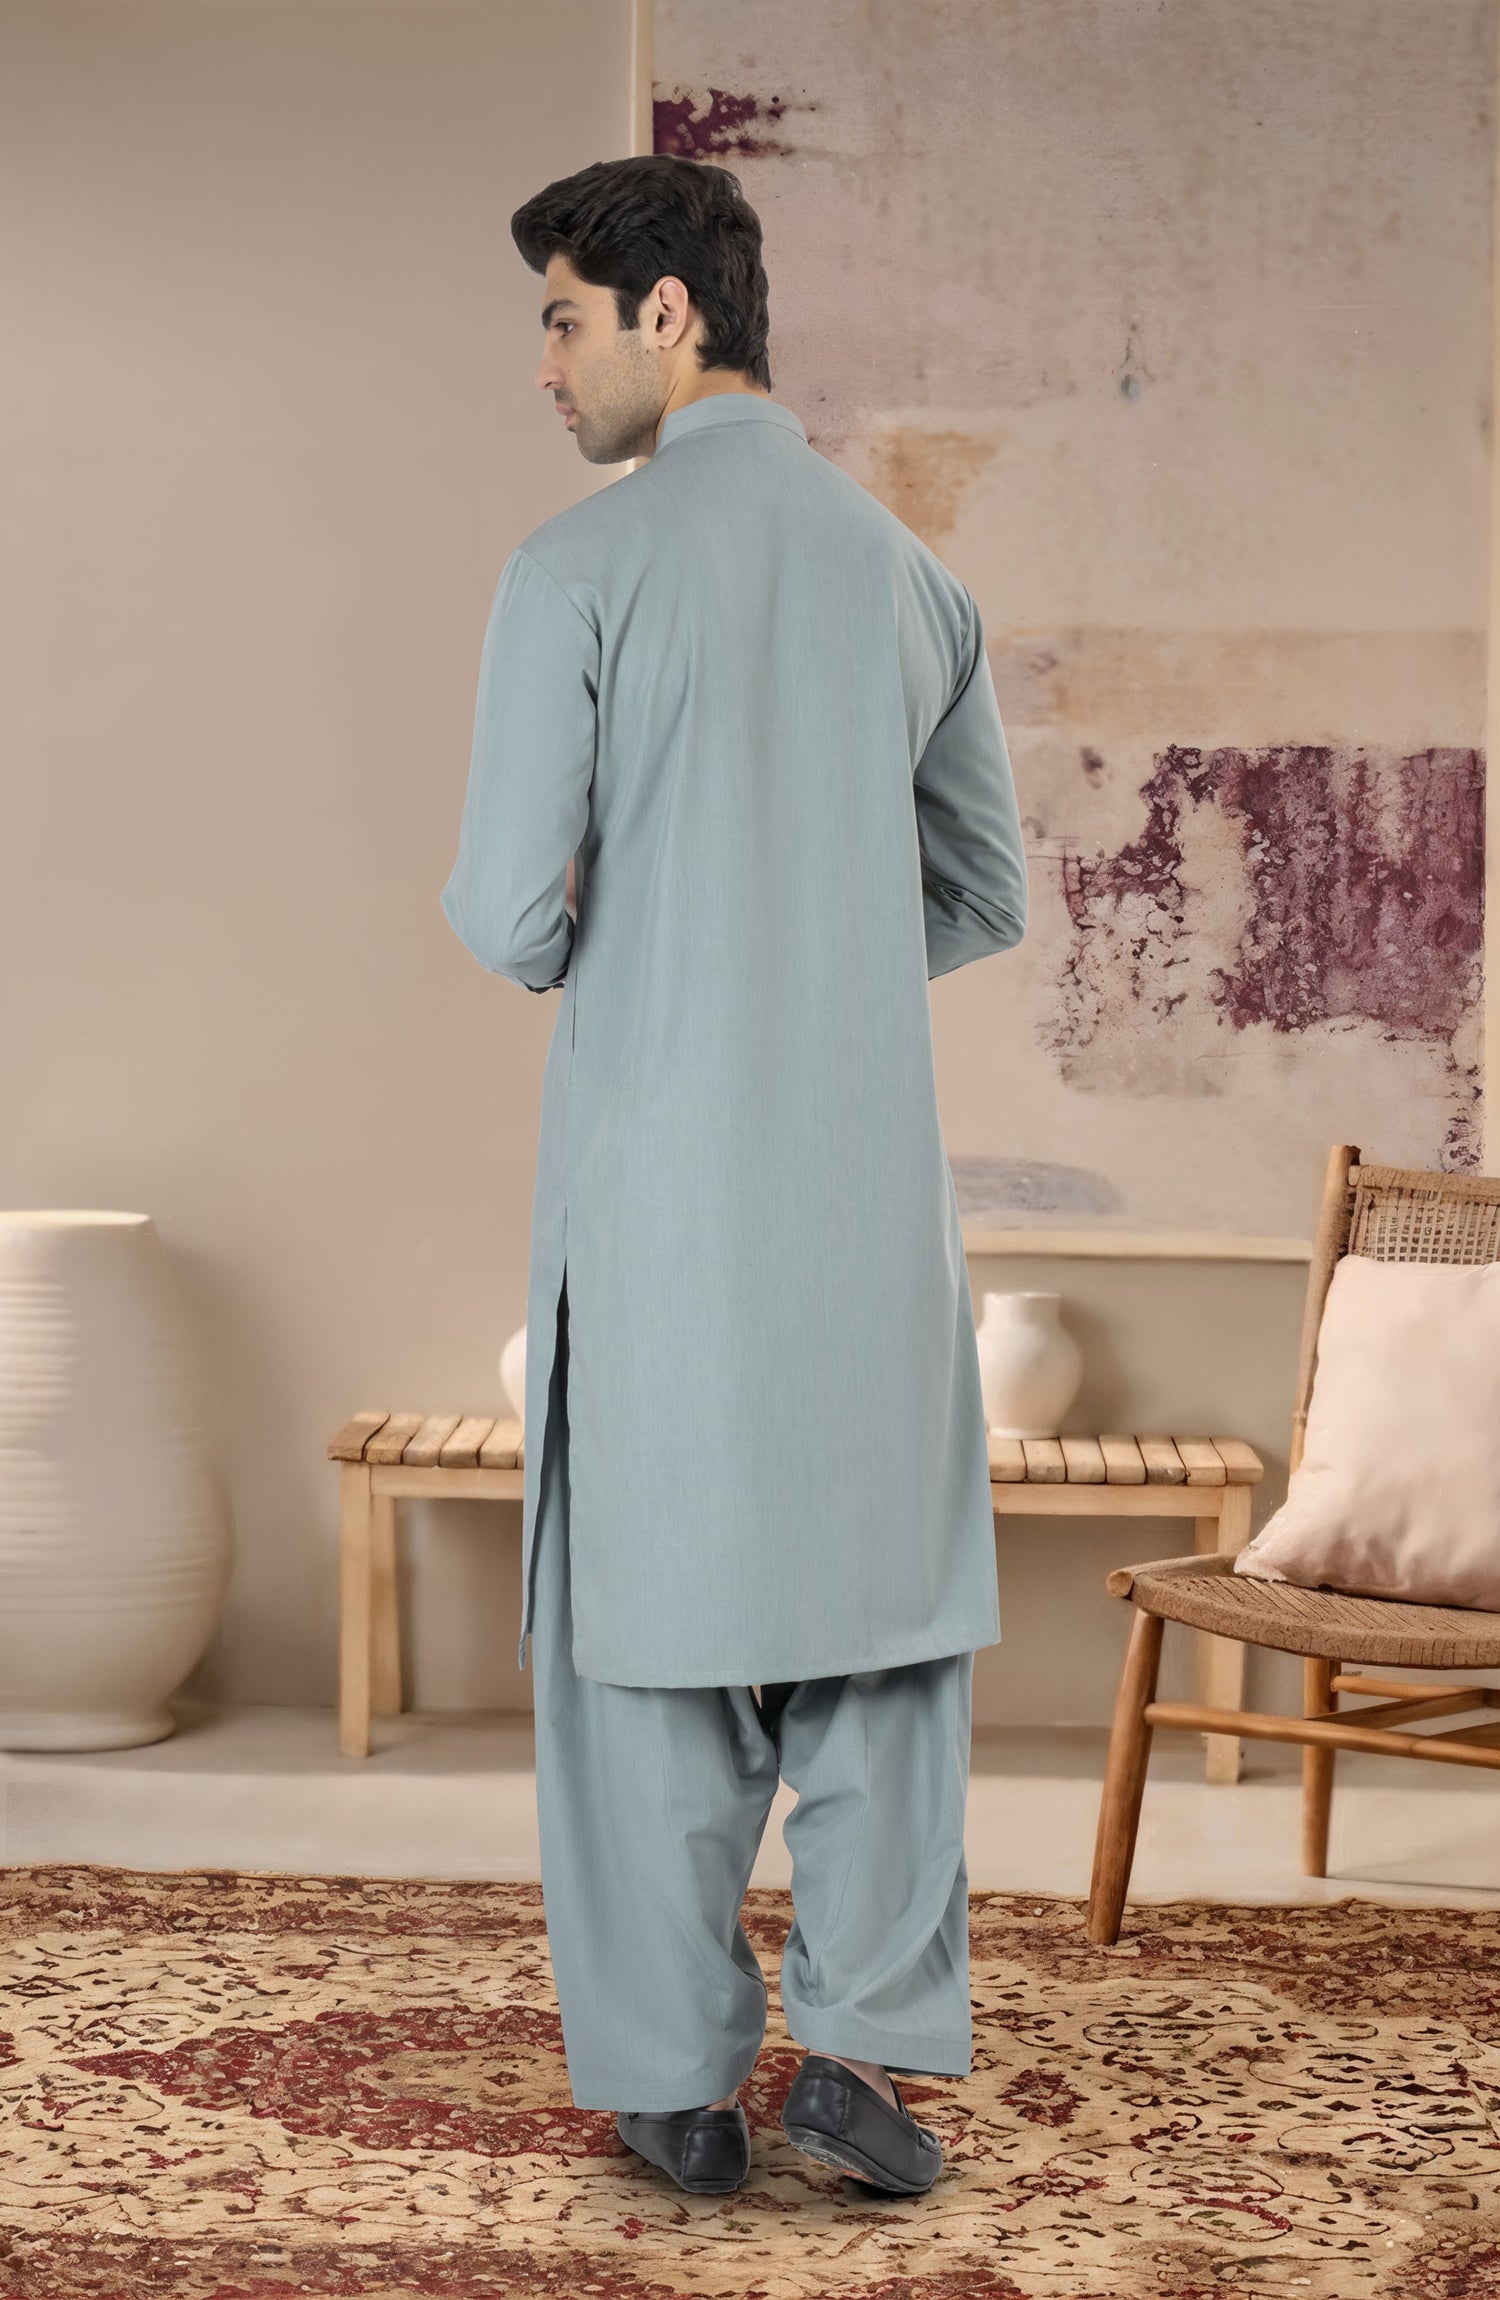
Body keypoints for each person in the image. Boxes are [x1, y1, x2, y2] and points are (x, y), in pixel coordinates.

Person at [440, 152, 1027, 2199]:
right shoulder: (910, 573)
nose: (545, 363)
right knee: (883, 1634)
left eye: (561, 317)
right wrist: (819, 954)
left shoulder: (573, 573)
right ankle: (860, 2049)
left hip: (659, 1209)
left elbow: (507, 911)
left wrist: (656, 942)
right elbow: (983, 886)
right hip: (872, 1219)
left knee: (643, 1656)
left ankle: (677, 2081)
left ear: (668, 313)